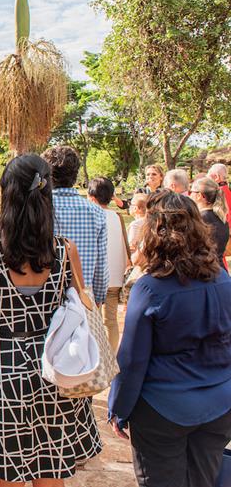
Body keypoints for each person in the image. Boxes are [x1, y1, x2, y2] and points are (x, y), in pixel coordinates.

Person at [0, 155, 102, 483]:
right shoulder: (65, 251)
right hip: (56, 369)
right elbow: (84, 309)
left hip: (0, 368)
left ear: (7, 194)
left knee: (5, 474)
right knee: (51, 471)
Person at [108, 190, 231, 487]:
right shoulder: (223, 280)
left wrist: (119, 409)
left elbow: (132, 361)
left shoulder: (150, 288)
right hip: (218, 404)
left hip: (163, 409)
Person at [42, 145, 109, 305]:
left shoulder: (37, 209)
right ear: (76, 174)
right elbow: (101, 265)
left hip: (43, 299)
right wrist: (98, 298)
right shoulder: (96, 212)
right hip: (81, 298)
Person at [87, 177, 131, 352]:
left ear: (91, 196)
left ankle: (98, 359)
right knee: (110, 321)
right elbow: (125, 245)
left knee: (94, 322)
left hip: (95, 277)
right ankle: (112, 356)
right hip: (114, 276)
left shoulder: (90, 215)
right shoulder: (117, 217)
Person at [190, 176, 229, 272]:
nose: (189, 195)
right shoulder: (221, 217)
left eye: (191, 192)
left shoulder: (200, 219)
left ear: (200, 196)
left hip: (205, 272)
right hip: (220, 271)